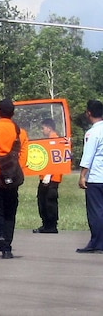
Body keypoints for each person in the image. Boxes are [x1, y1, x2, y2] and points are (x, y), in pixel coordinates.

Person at [0, 99, 29, 259]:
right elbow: (23, 155)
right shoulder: (20, 132)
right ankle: (7, 249)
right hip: (13, 176)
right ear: (13, 113)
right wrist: (17, 173)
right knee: (10, 212)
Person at [77, 99, 103, 253]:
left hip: (96, 177)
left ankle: (97, 243)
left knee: (96, 212)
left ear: (89, 113)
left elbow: (89, 155)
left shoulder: (92, 132)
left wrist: (82, 175)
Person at [33, 118, 61, 234]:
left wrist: (48, 175)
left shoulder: (54, 140)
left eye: (43, 128)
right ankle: (46, 224)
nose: (42, 130)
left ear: (49, 128)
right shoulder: (49, 140)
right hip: (46, 176)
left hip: (51, 177)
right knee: (42, 200)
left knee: (49, 201)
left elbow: (53, 160)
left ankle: (51, 225)